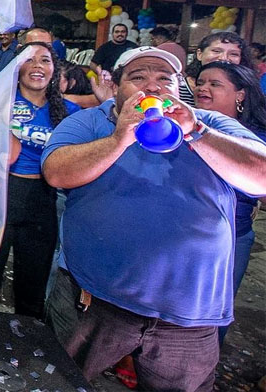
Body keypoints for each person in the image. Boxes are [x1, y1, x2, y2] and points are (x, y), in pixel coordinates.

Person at [42, 46, 266, 388]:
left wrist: (196, 133)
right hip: (95, 296)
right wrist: (119, 138)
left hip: (188, 309)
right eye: (138, 77)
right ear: (115, 88)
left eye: (165, 78)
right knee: (63, 380)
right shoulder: (90, 122)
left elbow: (262, 176)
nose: (153, 86)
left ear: (179, 89)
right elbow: (57, 172)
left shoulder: (212, 124)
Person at [0, 42, 79, 317]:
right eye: (29, 59)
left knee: (32, 286)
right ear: (17, 68)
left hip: (43, 198)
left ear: (54, 69)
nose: (37, 66)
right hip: (0, 194)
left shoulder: (70, 113)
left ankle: (28, 351)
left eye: (45, 60)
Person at [193, 62, 266, 343]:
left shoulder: (255, 138)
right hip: (182, 234)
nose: (203, 88)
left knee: (212, 314)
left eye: (214, 84)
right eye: (200, 82)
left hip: (233, 236)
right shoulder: (178, 124)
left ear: (240, 95)